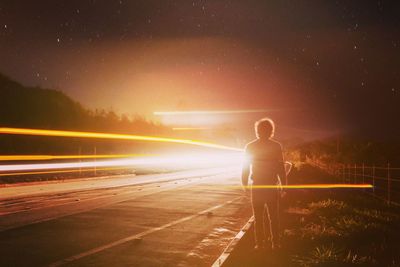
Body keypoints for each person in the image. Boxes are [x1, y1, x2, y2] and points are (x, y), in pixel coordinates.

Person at [242, 118, 287, 250]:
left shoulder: (250, 146)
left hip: (257, 186)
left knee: (258, 217)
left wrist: (244, 184)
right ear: (271, 131)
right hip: (271, 186)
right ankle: (276, 244)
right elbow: (281, 168)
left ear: (257, 131)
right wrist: (284, 186)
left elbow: (245, 167)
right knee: (273, 217)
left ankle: (260, 244)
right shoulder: (276, 146)